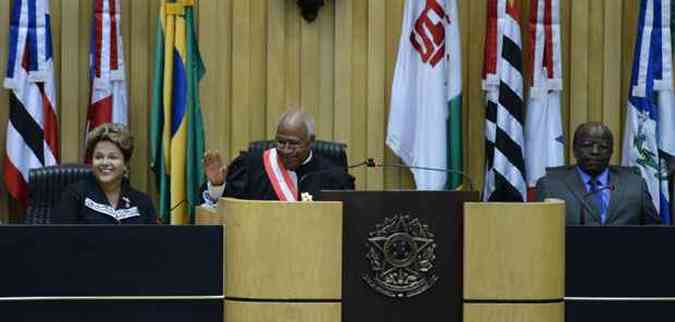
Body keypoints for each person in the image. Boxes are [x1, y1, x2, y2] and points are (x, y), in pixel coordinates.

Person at [202, 110, 355, 203]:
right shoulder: (251, 166)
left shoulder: (333, 175)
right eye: (281, 142)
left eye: (293, 144)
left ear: (311, 141)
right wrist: (217, 185)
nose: (286, 150)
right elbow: (226, 208)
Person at [536, 122, 659, 225]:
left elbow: (655, 233)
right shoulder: (551, 186)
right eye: (587, 145)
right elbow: (540, 233)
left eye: (603, 147)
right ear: (574, 149)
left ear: (611, 151)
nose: (595, 152)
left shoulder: (635, 185)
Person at [53, 123, 157, 224]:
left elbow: (153, 240)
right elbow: (61, 239)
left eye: (112, 157)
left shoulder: (142, 203)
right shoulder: (74, 196)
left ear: (125, 163)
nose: (105, 163)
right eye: (99, 157)